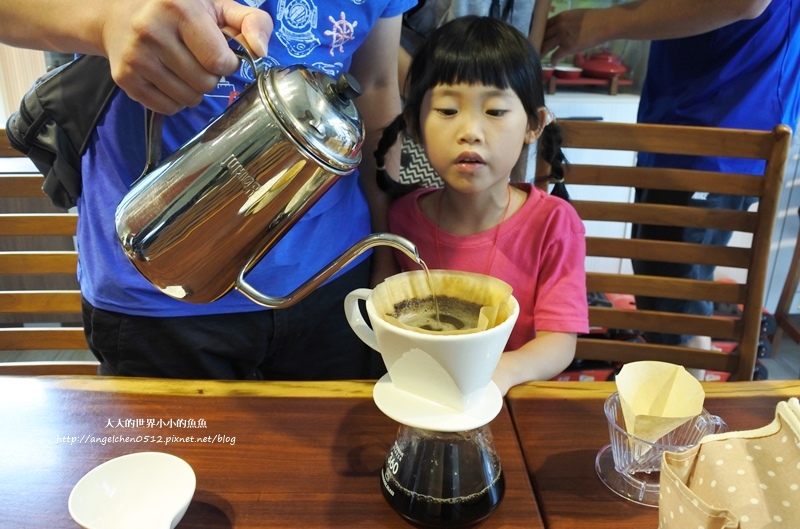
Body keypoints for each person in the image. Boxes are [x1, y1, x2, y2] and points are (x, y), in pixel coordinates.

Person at [1, 0, 416, 379]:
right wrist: (107, 19)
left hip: (331, 282)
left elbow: (376, 89)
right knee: (178, 459)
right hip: (160, 285)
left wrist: (384, 253)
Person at [542, 0, 800, 349]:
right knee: (668, 295)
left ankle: (690, 401)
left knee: (674, 306)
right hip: (692, 122)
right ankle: (682, 394)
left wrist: (603, 23)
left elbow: (746, 2)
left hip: (719, 127)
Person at [377, 16, 589, 395]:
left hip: (513, 402)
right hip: (424, 394)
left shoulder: (554, 223)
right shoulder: (402, 219)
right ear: (414, 123)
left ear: (533, 125)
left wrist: (500, 373)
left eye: (494, 111)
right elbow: (386, 322)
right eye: (447, 110)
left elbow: (560, 341)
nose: (470, 131)